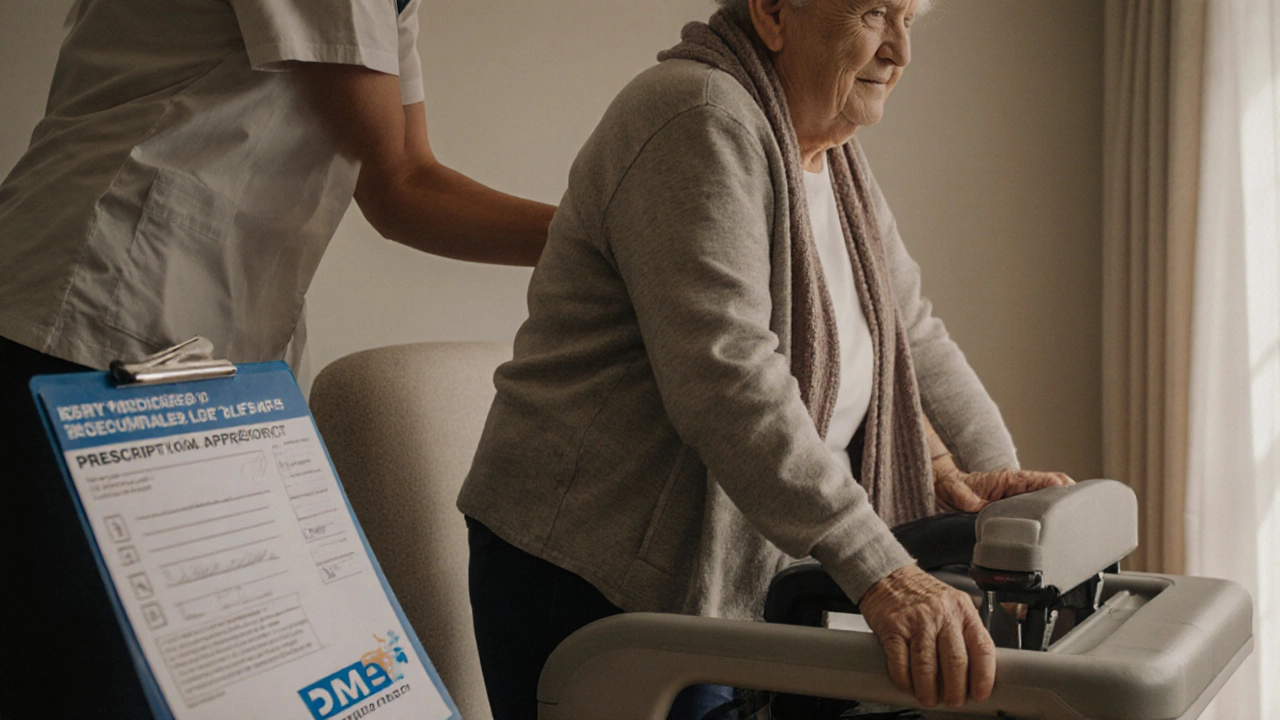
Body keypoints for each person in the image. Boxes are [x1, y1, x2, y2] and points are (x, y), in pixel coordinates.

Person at [457, 0, 1072, 718]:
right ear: (775, 13)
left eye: (913, 18)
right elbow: (727, 376)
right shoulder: (697, 115)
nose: (899, 51)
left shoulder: (834, 162)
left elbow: (914, 336)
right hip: (594, 572)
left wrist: (1006, 531)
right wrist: (883, 572)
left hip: (730, 578)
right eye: (875, 12)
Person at [0, 1, 553, 717]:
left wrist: (608, 241)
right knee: (88, 678)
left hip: (196, 343)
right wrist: (619, 234)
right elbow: (401, 180)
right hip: (93, 319)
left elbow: (402, 184)